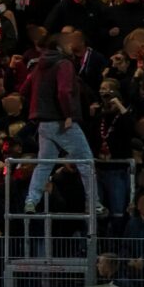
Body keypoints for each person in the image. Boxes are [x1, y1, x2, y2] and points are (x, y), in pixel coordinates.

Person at [20, 35, 102, 216]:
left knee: (44, 164)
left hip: (43, 123)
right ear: (59, 46)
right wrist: (69, 114)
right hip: (61, 121)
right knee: (86, 162)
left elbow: (24, 89)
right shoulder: (63, 64)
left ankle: (31, 201)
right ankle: (94, 203)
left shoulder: (39, 66)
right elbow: (64, 90)